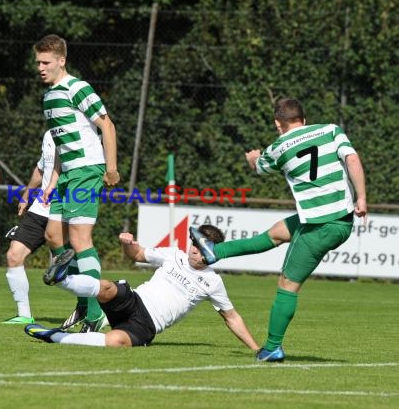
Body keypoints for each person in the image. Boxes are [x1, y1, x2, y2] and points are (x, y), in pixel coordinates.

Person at [195, 97, 367, 362]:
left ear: (278, 123)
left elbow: (260, 168)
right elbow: (353, 160)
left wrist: (253, 158)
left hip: (319, 225)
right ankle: (214, 251)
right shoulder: (331, 130)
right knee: (275, 233)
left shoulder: (279, 146)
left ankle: (273, 346)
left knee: (287, 284)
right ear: (303, 118)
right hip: (340, 218)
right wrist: (362, 198)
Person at [24, 225, 260, 350]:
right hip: (134, 300)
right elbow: (136, 254)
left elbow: (232, 318)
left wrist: (256, 348)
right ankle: (62, 278)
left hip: (146, 325)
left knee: (114, 342)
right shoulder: (173, 255)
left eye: (200, 247)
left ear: (213, 253)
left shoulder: (213, 282)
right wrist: (128, 244)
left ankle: (55, 337)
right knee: (107, 288)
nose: (193, 250)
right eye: (193, 244)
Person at [34, 34, 120, 332]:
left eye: (46, 62)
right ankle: (85, 303)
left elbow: (106, 124)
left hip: (87, 169)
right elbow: (59, 144)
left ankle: (96, 313)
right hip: (67, 174)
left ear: (61, 60)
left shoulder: (77, 88)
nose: (40, 68)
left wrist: (111, 168)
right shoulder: (48, 96)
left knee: (81, 241)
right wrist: (50, 182)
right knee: (53, 236)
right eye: (38, 63)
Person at [2, 130, 54, 325]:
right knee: (14, 254)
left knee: (65, 267)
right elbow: (41, 169)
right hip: (40, 207)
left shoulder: (79, 133)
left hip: (64, 209)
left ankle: (97, 308)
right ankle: (24, 314)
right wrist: (26, 196)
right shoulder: (48, 134)